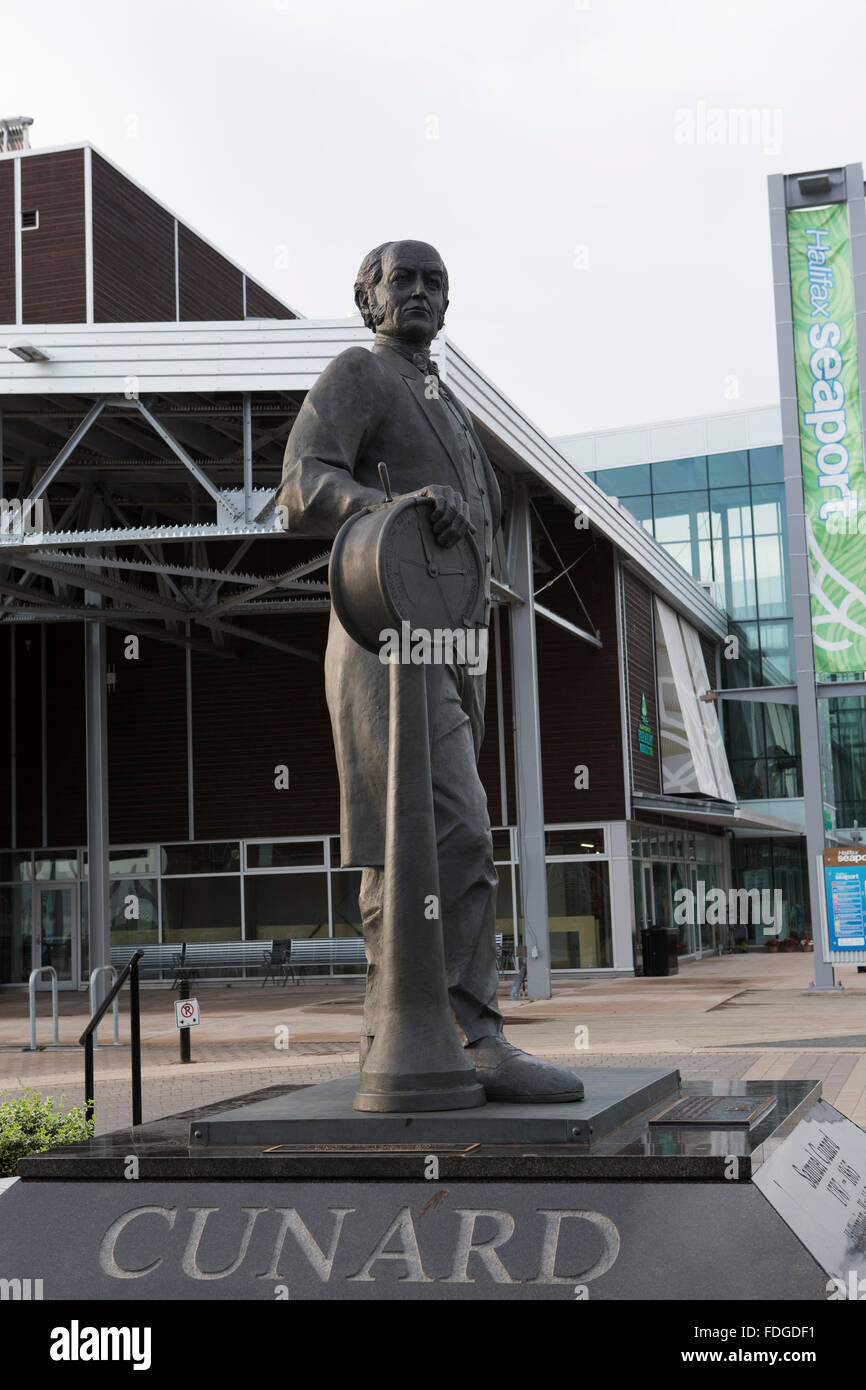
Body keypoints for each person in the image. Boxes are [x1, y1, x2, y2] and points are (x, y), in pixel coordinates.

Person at [278, 239, 581, 1102]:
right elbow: (300, 483)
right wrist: (390, 505)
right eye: (400, 280)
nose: (419, 292)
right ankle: (470, 1032)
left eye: (434, 283)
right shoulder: (359, 374)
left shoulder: (444, 399)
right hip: (383, 636)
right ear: (367, 298)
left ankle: (398, 1029)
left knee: (414, 844)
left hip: (449, 644)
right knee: (450, 832)